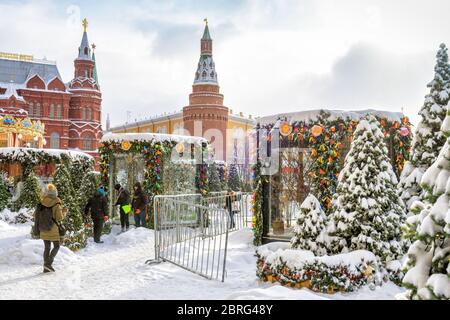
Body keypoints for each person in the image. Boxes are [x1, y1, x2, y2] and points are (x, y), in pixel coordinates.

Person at [35, 183, 66, 273]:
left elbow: (36, 216)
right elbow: (59, 218)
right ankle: (48, 264)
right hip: (53, 229)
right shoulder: (56, 203)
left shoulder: (42, 202)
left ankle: (46, 267)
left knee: (47, 247)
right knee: (56, 246)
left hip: (43, 228)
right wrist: (64, 212)